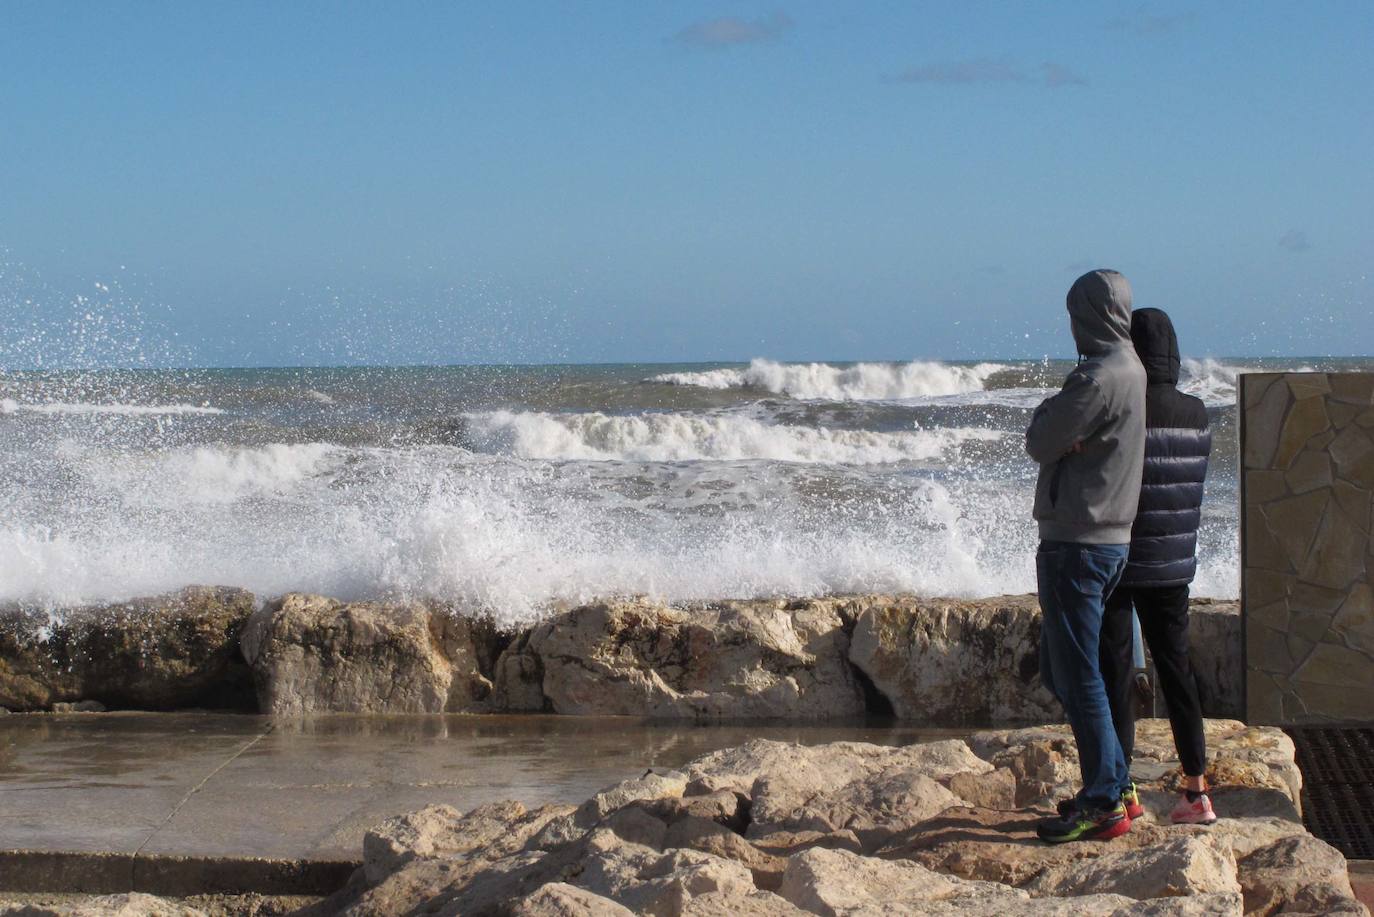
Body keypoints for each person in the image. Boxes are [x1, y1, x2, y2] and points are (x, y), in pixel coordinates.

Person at [1026, 269, 1146, 844]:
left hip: (1079, 542)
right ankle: (1114, 782)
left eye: (1075, 314)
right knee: (1064, 668)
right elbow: (1058, 434)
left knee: (1079, 674)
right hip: (1108, 538)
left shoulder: (1097, 379)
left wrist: (1051, 415)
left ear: (1091, 316)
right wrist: (1059, 417)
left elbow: (1039, 441)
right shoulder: (1130, 368)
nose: (1071, 325)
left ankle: (1105, 798)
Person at [1099, 307, 1216, 825]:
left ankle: (1124, 790)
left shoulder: (1125, 408)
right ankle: (1196, 792)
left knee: (1116, 673)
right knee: (1177, 671)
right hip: (1174, 565)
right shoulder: (1198, 413)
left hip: (1121, 563)